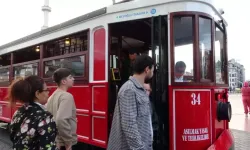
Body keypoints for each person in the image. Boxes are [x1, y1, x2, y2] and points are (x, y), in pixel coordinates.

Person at [107, 54, 154, 150]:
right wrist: (140, 148)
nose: (153, 72)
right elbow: (129, 125)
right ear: (147, 69)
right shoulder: (129, 89)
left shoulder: (140, 89)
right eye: (152, 69)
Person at [7, 75, 57, 150]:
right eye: (46, 90)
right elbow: (48, 146)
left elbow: (13, 136)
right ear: (37, 94)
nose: (48, 93)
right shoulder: (44, 117)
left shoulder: (18, 112)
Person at [46, 68, 77, 150]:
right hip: (63, 143)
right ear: (64, 81)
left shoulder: (52, 96)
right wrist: (68, 142)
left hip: (56, 140)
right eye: (70, 77)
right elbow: (61, 120)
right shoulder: (67, 96)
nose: (73, 79)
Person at [144, 83, 159, 150]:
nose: (146, 92)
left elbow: (155, 121)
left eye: (148, 90)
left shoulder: (151, 105)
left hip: (149, 138)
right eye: (144, 90)